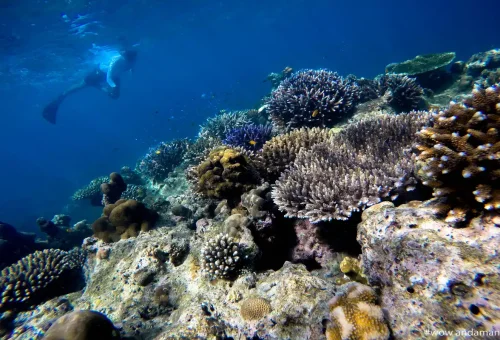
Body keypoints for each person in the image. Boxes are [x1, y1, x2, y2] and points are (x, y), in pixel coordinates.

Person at [42, 48, 138, 124]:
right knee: (79, 86)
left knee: (114, 96)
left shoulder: (132, 59)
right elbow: (109, 76)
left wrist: (131, 73)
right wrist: (112, 85)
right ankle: (57, 101)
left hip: (114, 75)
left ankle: (94, 85)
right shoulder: (116, 60)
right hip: (100, 73)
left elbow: (130, 67)